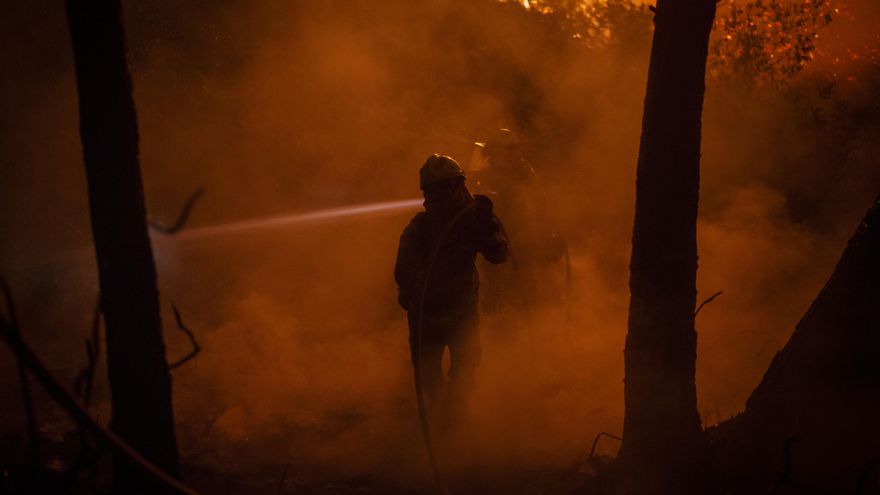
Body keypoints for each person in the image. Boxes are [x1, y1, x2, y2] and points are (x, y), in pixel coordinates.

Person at [395, 154, 509, 428]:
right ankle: (438, 421)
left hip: (463, 313)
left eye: (446, 187)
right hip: (427, 316)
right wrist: (420, 289)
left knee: (465, 373)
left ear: (459, 186)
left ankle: (455, 421)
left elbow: (499, 255)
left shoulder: (471, 223)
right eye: (434, 190)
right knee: (429, 379)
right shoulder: (419, 229)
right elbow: (403, 272)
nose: (440, 196)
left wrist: (489, 226)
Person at [471, 129, 566, 310]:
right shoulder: (483, 180)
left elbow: (543, 208)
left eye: (515, 149)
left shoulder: (526, 176)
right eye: (510, 150)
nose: (515, 155)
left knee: (528, 301)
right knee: (496, 301)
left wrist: (551, 235)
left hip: (526, 251)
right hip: (496, 252)